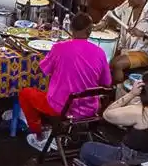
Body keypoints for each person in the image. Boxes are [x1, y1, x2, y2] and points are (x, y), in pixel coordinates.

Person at [21, 12, 111, 151]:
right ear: (89, 31)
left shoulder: (59, 48)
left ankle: (39, 136)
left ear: (71, 29)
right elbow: (107, 83)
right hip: (90, 108)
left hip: (62, 109)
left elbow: (41, 70)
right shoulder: (100, 52)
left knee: (25, 93)